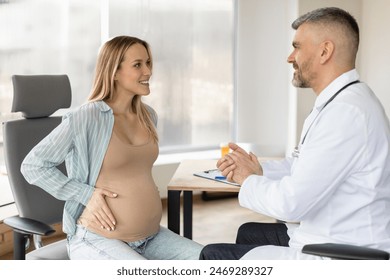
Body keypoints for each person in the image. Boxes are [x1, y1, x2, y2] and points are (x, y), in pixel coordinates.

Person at [200, 7, 390, 260]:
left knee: (213, 255)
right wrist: (259, 170)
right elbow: (305, 165)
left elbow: (291, 206)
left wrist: (248, 179)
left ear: (325, 51)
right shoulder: (341, 101)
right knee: (249, 232)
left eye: (297, 47)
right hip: (330, 234)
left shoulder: (346, 113)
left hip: (345, 253)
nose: (290, 57)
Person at [21, 36, 203, 260]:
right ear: (114, 71)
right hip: (97, 238)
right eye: (138, 65)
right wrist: (85, 195)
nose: (148, 71)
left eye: (148, 63)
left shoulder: (148, 116)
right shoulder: (87, 117)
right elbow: (33, 165)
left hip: (152, 237)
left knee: (212, 262)